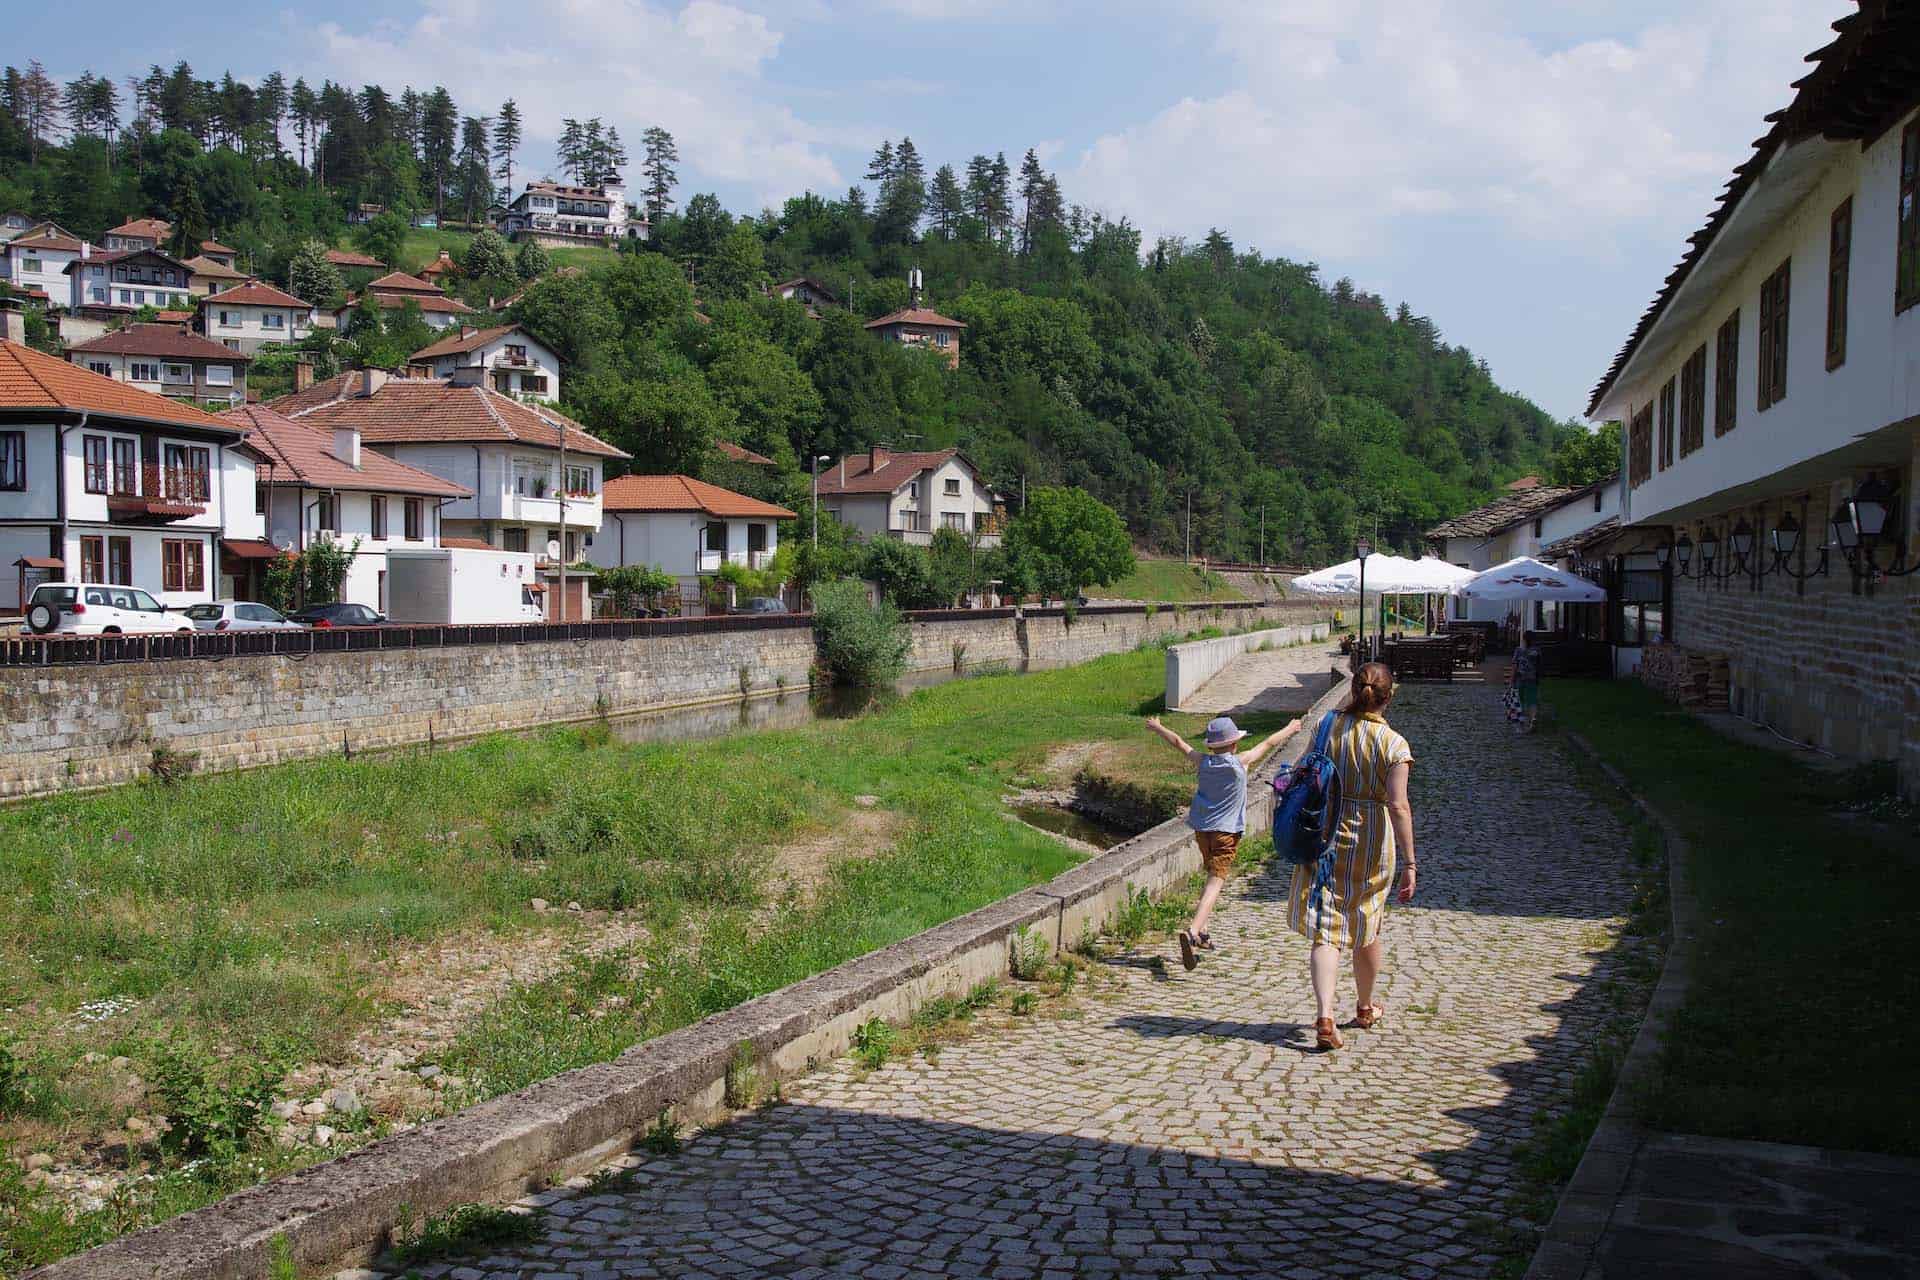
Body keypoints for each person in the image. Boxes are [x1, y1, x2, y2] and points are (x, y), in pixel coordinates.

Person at [1287, 662, 1416, 1051]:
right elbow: (1399, 806)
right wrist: (1410, 862)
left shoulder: (1328, 728)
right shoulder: (1394, 745)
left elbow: (1299, 772)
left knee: (1328, 928)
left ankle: (1325, 1014)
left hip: (1326, 833)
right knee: (1367, 920)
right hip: (1373, 841)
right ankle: (1364, 1006)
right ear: (1388, 698)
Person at [1144, 712, 1303, 970]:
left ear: (1212, 745)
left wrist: (1158, 727)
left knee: (1210, 876)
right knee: (1216, 883)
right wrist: (1292, 727)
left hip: (1202, 831)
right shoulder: (1240, 762)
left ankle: (1203, 933)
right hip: (1226, 834)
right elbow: (1270, 743)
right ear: (1234, 743)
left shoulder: (1203, 762)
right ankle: (1194, 931)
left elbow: (1179, 743)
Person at [1510, 630, 1541, 733]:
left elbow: (1515, 666)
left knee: (1521, 700)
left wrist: (1512, 679)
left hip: (1520, 678)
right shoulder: (1536, 651)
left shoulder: (1518, 650)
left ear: (1523, 639)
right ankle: (1533, 719)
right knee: (1532, 700)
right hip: (1532, 678)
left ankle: (1523, 722)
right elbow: (1539, 665)